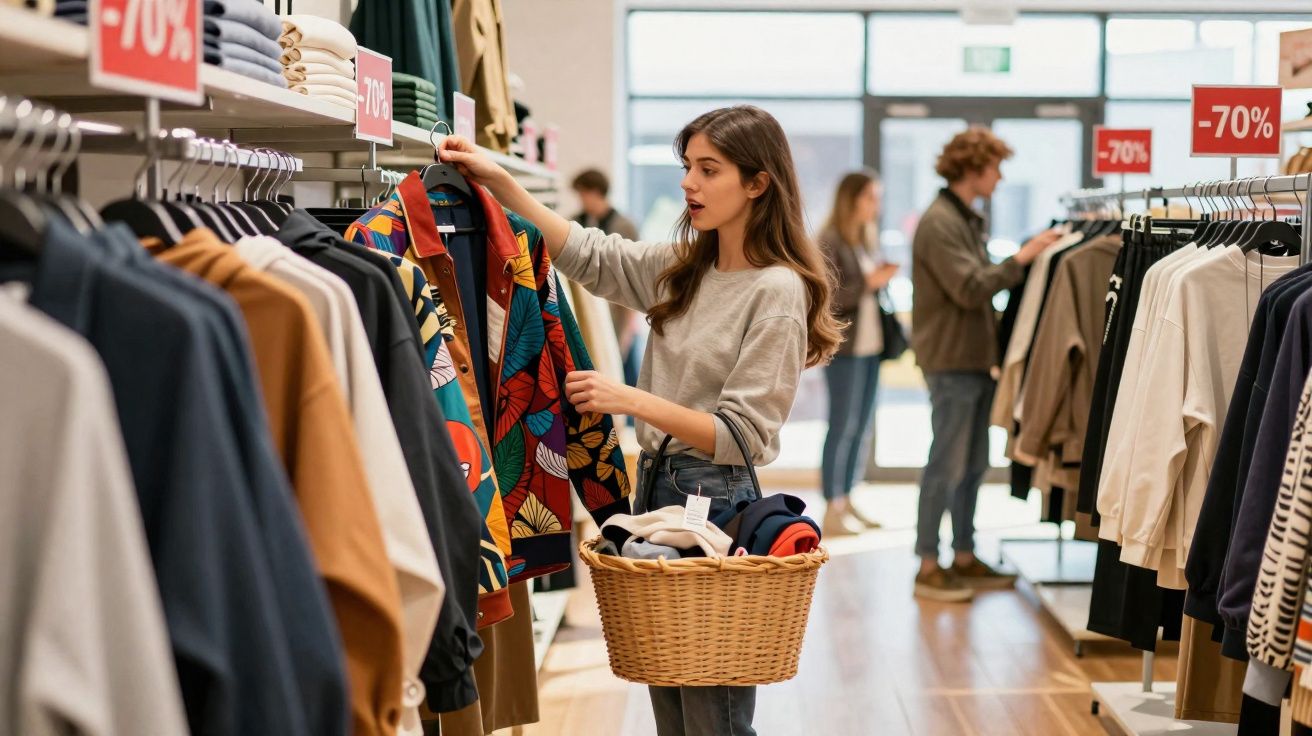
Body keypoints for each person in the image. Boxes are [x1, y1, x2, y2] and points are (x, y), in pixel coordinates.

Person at [438, 105, 841, 736]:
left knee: (715, 719)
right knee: (673, 715)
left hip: (717, 500)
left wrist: (628, 399)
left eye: (709, 170)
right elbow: (588, 254)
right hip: (656, 493)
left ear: (758, 183)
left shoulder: (777, 291)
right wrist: (500, 183)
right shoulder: (688, 266)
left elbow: (742, 437)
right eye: (688, 167)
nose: (689, 184)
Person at [910, 127, 1063, 603]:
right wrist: (1023, 258)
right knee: (947, 464)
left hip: (970, 360)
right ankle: (929, 565)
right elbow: (970, 287)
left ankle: (962, 555)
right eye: (995, 167)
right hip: (952, 360)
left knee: (972, 463)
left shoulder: (962, 217)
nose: (999, 177)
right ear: (974, 168)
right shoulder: (941, 223)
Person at [817, 169, 899, 537]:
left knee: (862, 426)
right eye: (871, 198)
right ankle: (832, 504)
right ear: (852, 200)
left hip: (869, 348)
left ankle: (847, 498)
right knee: (842, 426)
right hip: (844, 350)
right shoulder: (829, 241)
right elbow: (828, 300)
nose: (876, 206)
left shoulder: (863, 239)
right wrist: (871, 282)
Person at [571, 168, 645, 387]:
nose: (581, 200)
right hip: (587, 312)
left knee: (624, 379)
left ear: (595, 192)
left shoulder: (624, 226)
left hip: (619, 313)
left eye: (583, 194)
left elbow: (633, 275)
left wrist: (626, 333)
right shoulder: (577, 221)